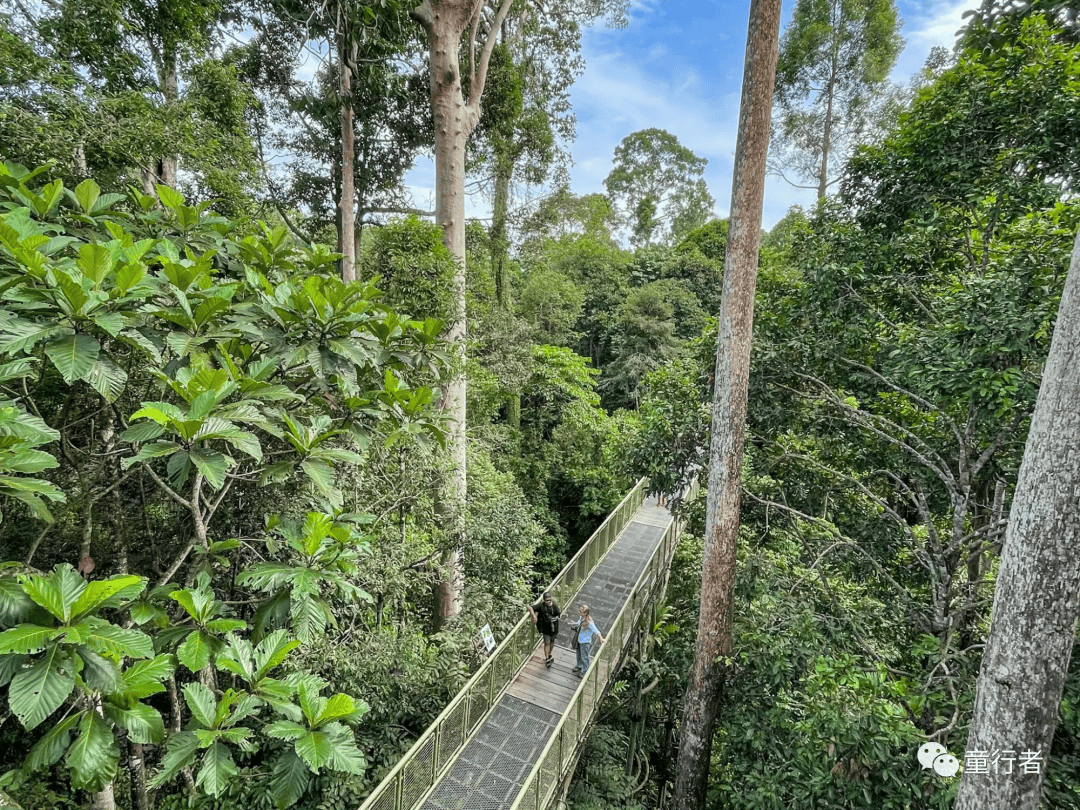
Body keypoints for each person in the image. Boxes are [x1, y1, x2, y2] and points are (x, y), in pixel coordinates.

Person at [528, 591, 561, 669]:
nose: (549, 602)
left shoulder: (554, 606)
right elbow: (530, 607)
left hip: (554, 627)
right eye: (547, 600)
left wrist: (552, 606)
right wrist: (533, 615)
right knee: (547, 642)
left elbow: (558, 613)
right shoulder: (541, 606)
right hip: (545, 628)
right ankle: (547, 658)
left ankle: (549, 655)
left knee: (552, 643)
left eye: (550, 600)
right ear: (544, 600)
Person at [571, 604, 605, 677]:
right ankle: (579, 665)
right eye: (579, 610)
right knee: (578, 654)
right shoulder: (581, 618)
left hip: (585, 642)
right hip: (579, 640)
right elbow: (578, 624)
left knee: (585, 656)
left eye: (581, 611)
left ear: (585, 613)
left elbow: (596, 631)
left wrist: (600, 637)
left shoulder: (589, 622)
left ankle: (585, 671)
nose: (579, 612)